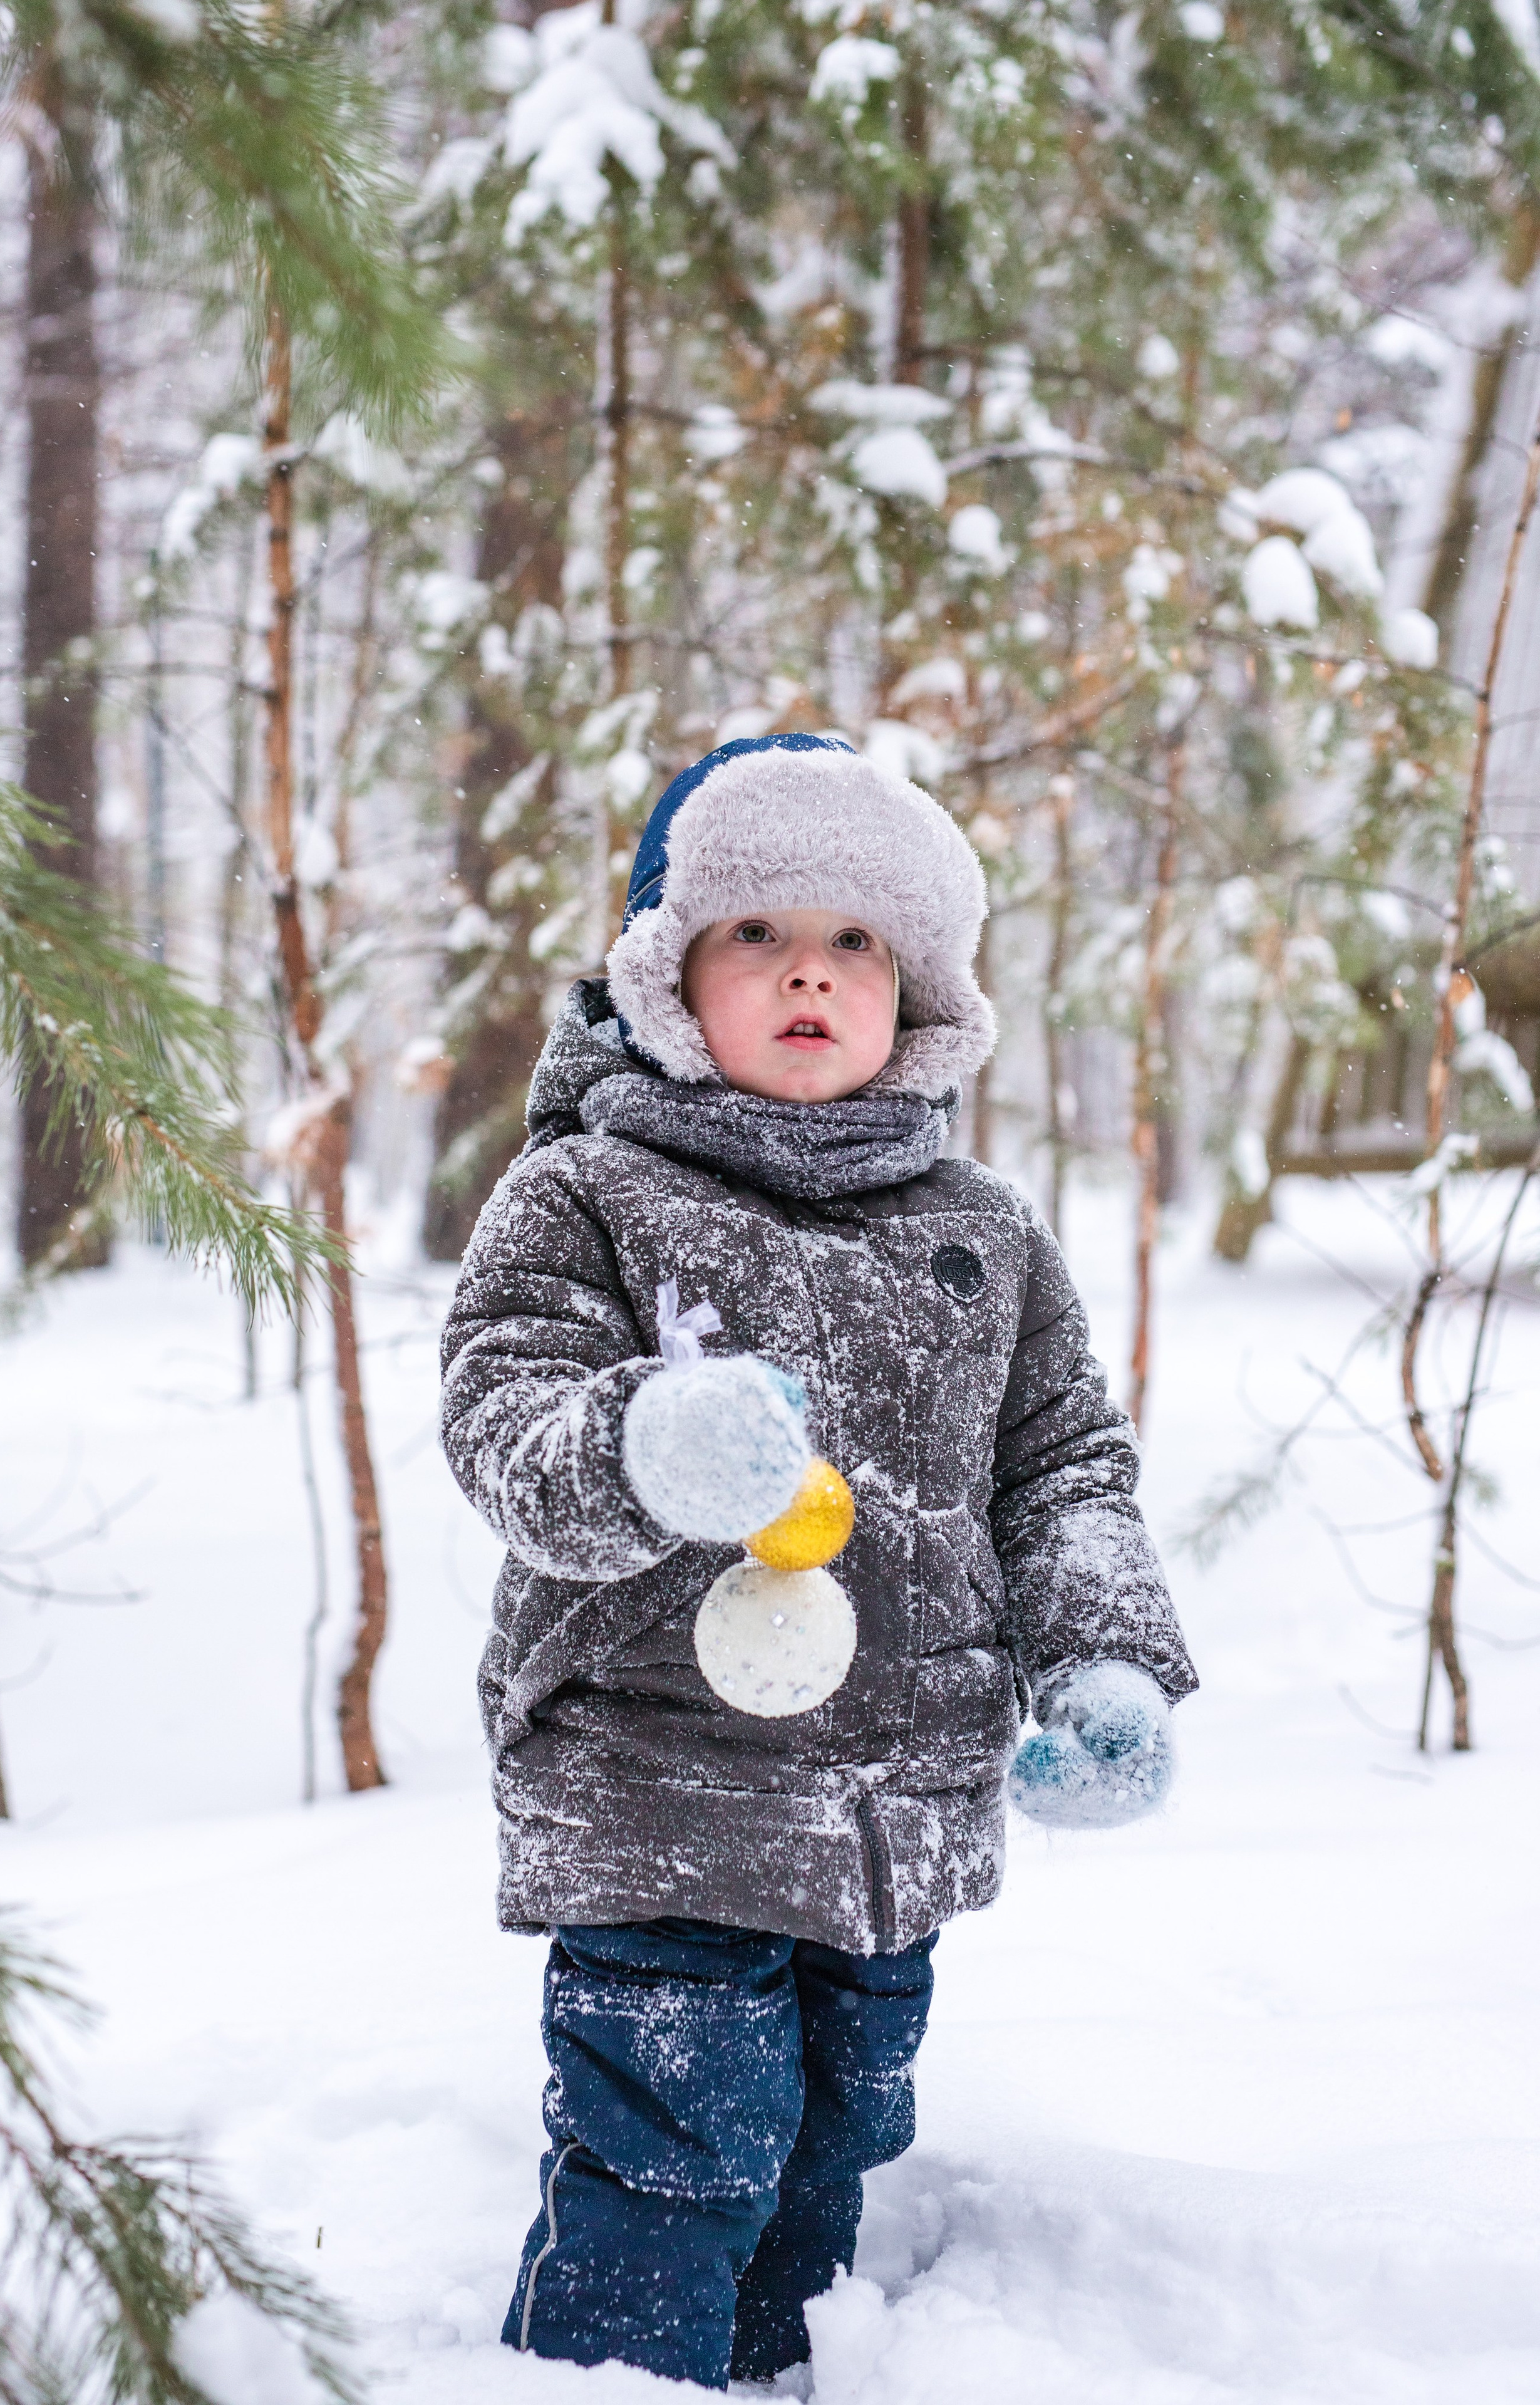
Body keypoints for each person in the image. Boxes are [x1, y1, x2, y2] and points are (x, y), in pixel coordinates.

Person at [439, 732, 1197, 2389]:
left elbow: (1063, 1466)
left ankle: (778, 2366)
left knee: (832, 2148)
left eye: (856, 938)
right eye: (757, 933)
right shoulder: (588, 1196)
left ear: (918, 984)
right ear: (666, 974)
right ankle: (613, 2380)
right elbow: (505, 1428)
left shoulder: (982, 1233)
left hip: (897, 1821)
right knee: (674, 2159)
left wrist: (1105, 1665)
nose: (810, 972)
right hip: (661, 1797)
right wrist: (646, 1446)